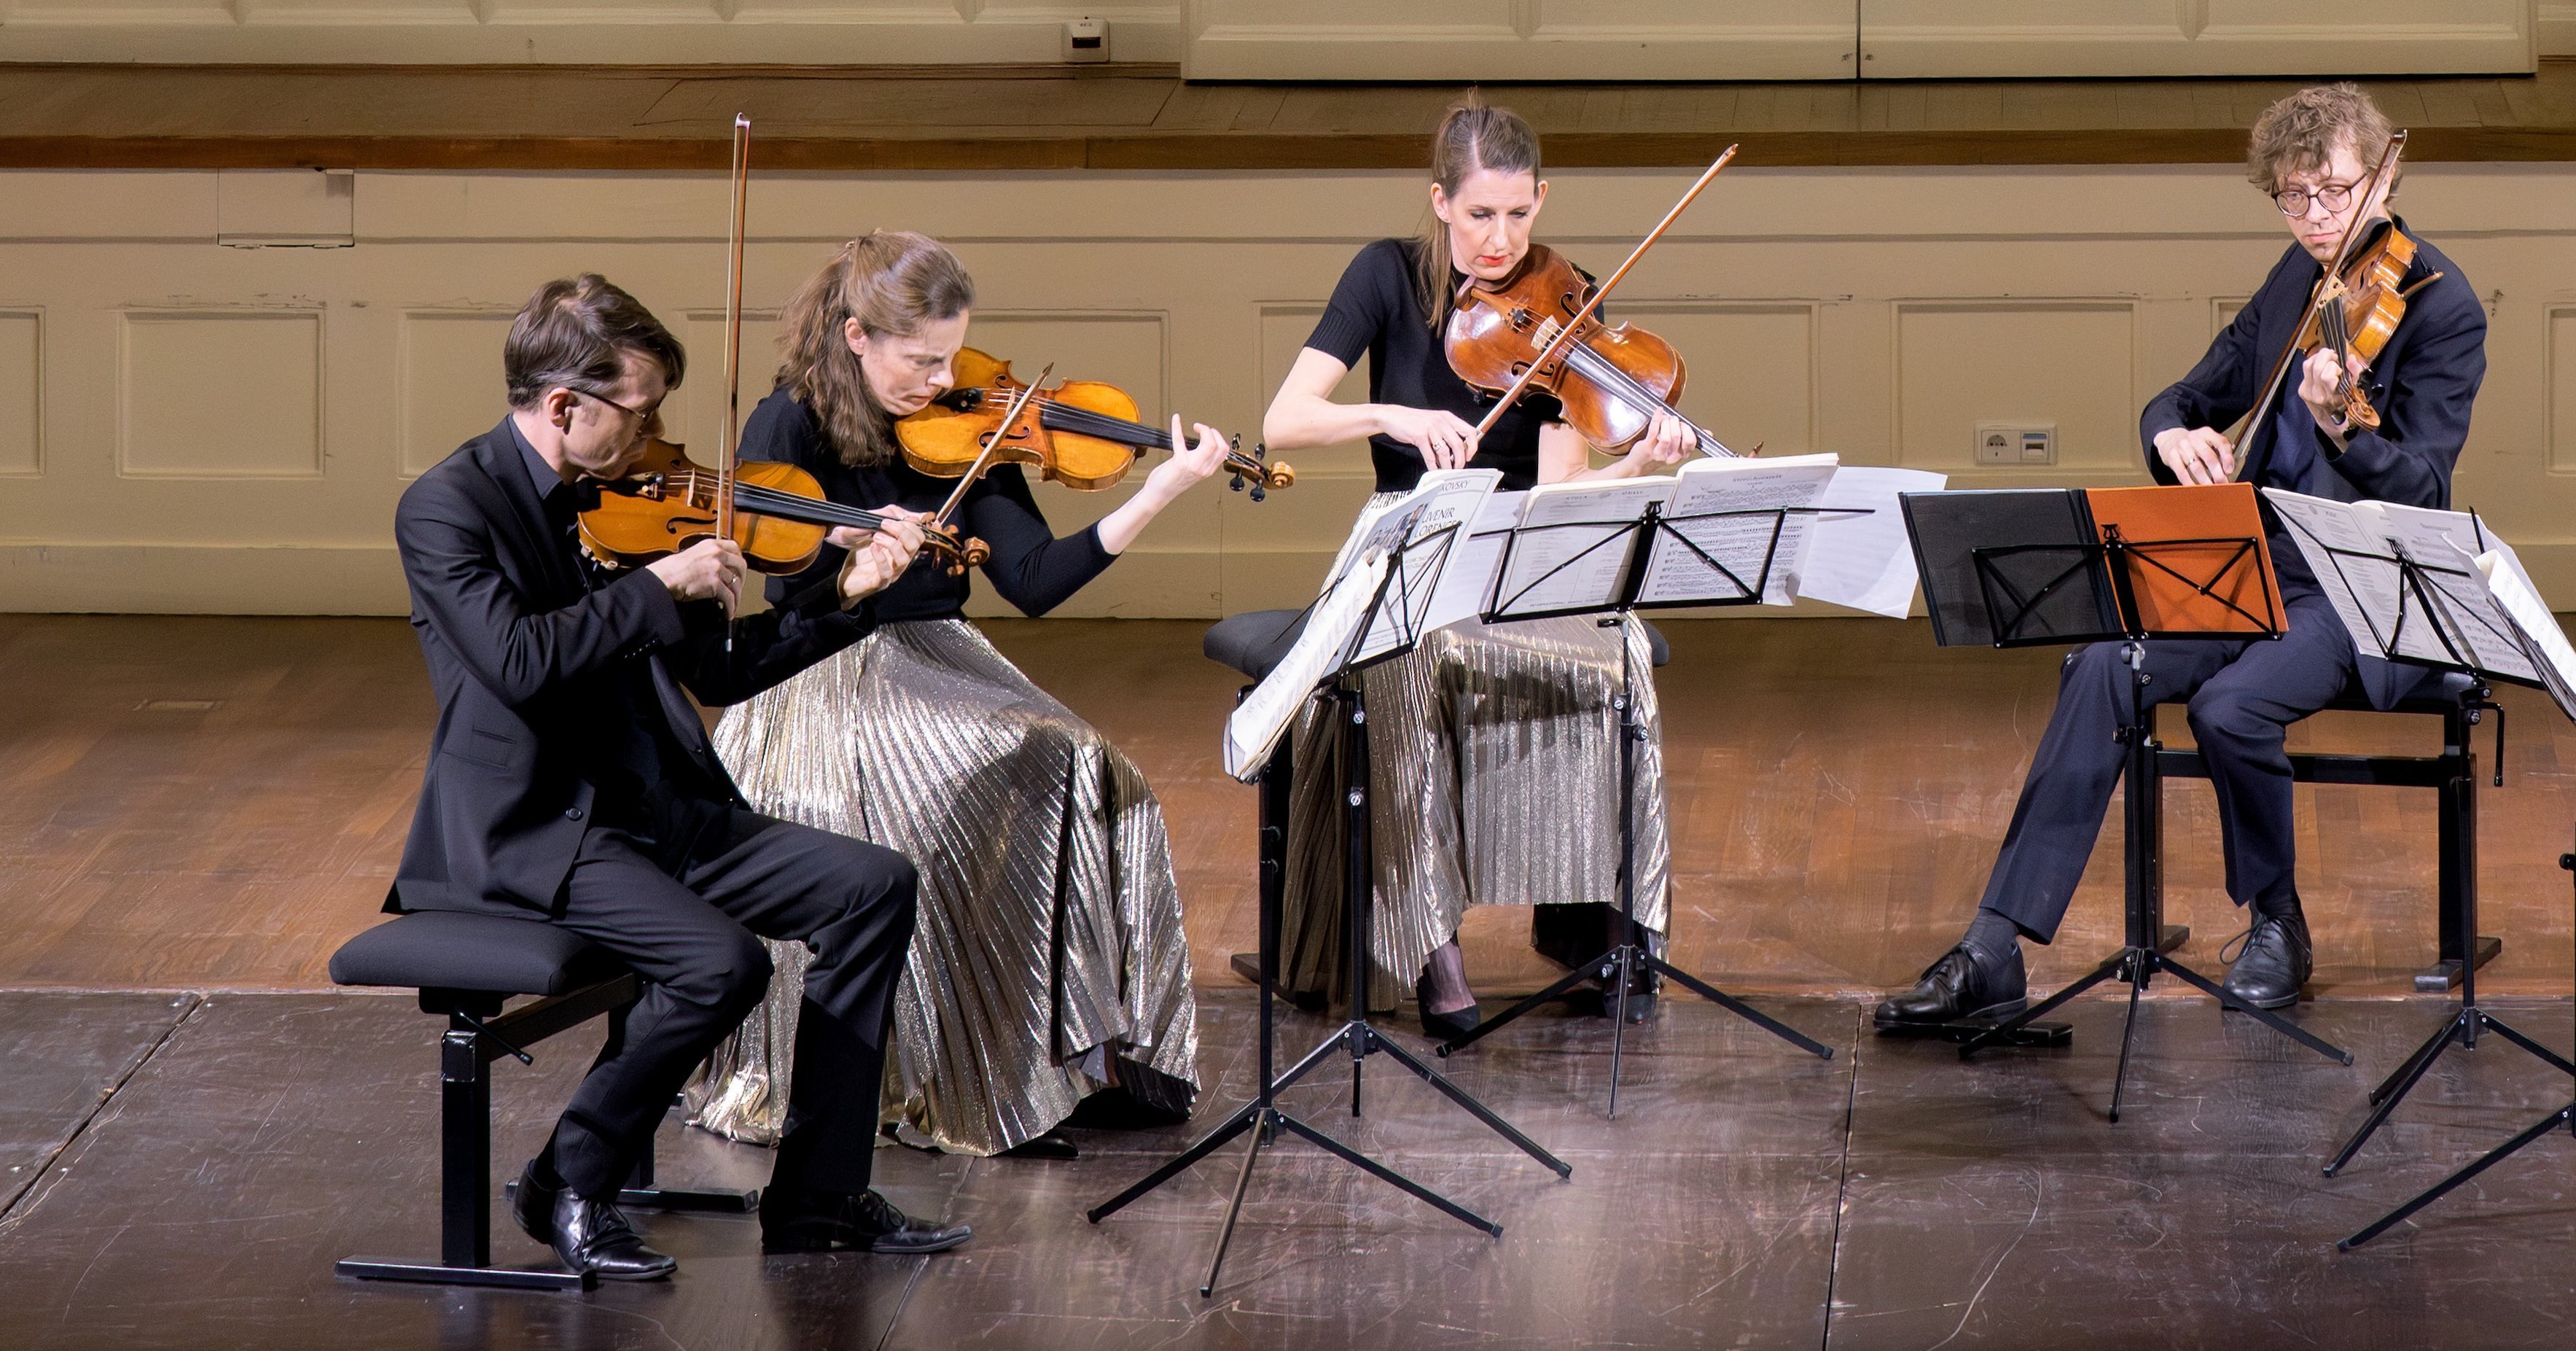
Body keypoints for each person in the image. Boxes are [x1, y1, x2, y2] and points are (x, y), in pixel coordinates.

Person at [384, 270, 968, 1285]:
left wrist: (844, 591)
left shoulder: (633, 498)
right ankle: (567, 1175)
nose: (655, 433)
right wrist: (658, 582)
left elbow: (719, 669)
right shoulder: (447, 506)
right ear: (564, 404)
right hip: (538, 827)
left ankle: (818, 1197)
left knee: (873, 885)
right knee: (720, 961)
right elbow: (518, 658)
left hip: (658, 807)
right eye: (640, 409)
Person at [1877, 79, 2486, 1039]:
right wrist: (2170, 438)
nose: (2318, 215)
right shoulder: (2296, 278)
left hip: (2357, 584)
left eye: (2334, 189)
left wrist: (2343, 421)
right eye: (2294, 195)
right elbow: (2189, 393)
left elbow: (2420, 485)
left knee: (2230, 704)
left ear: (2388, 168)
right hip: (2247, 559)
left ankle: (2279, 923)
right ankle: (1996, 947)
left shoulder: (2441, 306)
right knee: (2100, 667)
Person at [682, 229, 1235, 1160]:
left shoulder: (973, 425)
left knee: (1082, 756)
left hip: (944, 657)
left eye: (950, 357)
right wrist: (853, 558)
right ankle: (953, 1073)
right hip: (831, 672)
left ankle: (1066, 1062)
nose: (941, 381)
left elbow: (1033, 579)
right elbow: (787, 597)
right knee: (989, 764)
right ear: (856, 336)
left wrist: (1164, 488)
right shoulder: (789, 425)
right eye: (920, 358)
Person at [1247, 98, 1698, 1037]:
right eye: (1481, 215)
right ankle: (1429, 940)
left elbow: (1563, 488)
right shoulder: (1386, 275)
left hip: (1515, 543)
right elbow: (1283, 422)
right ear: (1441, 201)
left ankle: (1599, 923)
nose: (1502, 240)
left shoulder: (1566, 297)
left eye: (1520, 214)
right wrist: (1392, 418)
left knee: (1612, 657)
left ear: (1542, 199)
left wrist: (1635, 464)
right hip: (1408, 532)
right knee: (1407, 664)